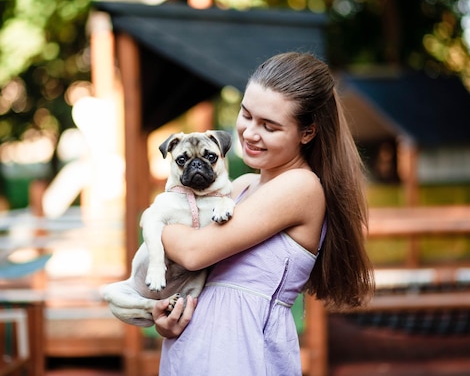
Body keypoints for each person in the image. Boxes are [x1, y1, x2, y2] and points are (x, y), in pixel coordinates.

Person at [152, 52, 374, 376]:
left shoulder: (301, 187)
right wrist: (169, 316)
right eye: (246, 114)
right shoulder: (241, 186)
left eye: (269, 126)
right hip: (191, 349)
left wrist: (154, 219)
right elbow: (190, 269)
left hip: (243, 353)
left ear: (307, 133)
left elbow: (193, 251)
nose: (250, 133)